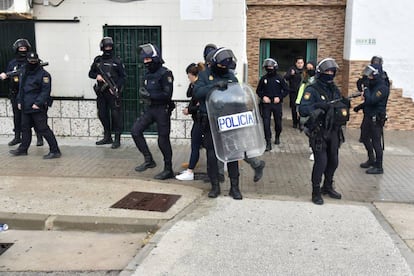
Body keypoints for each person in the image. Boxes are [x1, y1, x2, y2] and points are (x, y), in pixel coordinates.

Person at [299, 58, 350, 205]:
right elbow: (302, 109)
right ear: (320, 72)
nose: (330, 74)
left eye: (332, 71)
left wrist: (343, 104)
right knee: (321, 162)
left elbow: (338, 104)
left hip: (333, 130)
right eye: (327, 71)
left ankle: (327, 186)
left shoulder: (334, 89)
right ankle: (316, 192)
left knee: (333, 161)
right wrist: (318, 106)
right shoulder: (312, 89)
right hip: (318, 131)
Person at [193, 47, 243, 199]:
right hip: (210, 121)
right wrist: (213, 87)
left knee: (233, 155)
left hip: (228, 121)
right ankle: (215, 186)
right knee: (212, 156)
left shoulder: (230, 76)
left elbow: (239, 96)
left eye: (225, 67)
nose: (223, 69)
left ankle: (235, 188)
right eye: (220, 66)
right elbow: (197, 93)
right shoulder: (204, 75)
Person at [132, 43, 175, 180]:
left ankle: (168, 169)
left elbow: (167, 95)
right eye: (144, 60)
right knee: (135, 130)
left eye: (148, 59)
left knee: (163, 140)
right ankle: (149, 160)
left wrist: (150, 96)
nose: (145, 62)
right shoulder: (146, 74)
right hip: (150, 108)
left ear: (155, 58)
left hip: (162, 109)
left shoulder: (165, 73)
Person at [9, 52, 61, 159]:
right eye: (30, 61)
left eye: (34, 61)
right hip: (25, 106)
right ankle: (23, 149)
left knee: (43, 129)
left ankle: (55, 150)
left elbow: (45, 91)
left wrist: (38, 103)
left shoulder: (44, 75)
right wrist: (19, 101)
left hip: (37, 107)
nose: (32, 63)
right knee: (25, 128)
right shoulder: (24, 71)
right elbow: (21, 88)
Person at [0, 38, 43, 147]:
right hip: (16, 93)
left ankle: (39, 137)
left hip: (29, 94)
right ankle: (17, 137)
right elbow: (8, 76)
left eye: (24, 48)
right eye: (21, 48)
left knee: (35, 116)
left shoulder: (32, 61)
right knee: (17, 116)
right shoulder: (12, 63)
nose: (23, 50)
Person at [88, 37, 126, 149]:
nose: (108, 49)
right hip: (101, 93)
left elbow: (123, 77)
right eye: (106, 47)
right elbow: (90, 73)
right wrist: (97, 76)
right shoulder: (98, 60)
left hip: (112, 92)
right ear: (102, 48)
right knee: (102, 114)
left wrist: (115, 87)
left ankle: (117, 139)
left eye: (110, 47)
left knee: (116, 115)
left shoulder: (117, 61)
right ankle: (107, 136)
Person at [353, 64, 389, 174]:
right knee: (364, 138)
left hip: (376, 118)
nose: (369, 78)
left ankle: (379, 166)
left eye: (371, 76)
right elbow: (367, 101)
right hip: (368, 116)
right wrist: (360, 107)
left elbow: (372, 100)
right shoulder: (373, 85)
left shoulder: (382, 87)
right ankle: (371, 159)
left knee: (376, 142)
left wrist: (366, 88)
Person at [176, 62, 205, 181]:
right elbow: (188, 94)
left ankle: (190, 171)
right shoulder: (196, 85)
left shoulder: (200, 87)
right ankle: (190, 168)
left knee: (195, 145)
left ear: (193, 75)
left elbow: (200, 106)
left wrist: (189, 110)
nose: (188, 79)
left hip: (201, 120)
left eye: (189, 76)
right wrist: (191, 84)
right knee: (198, 145)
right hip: (198, 120)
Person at [256, 58, 289, 150]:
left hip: (276, 105)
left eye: (271, 67)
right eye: (267, 67)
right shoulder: (263, 79)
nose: (269, 68)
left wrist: (279, 97)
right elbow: (258, 90)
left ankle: (277, 136)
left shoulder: (280, 78)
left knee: (278, 123)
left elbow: (286, 90)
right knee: (266, 123)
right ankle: (268, 142)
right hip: (266, 105)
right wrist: (263, 97)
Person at [296, 61, 316, 160]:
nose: (309, 70)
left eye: (311, 68)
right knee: (306, 128)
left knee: (313, 129)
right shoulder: (304, 80)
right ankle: (312, 145)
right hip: (304, 107)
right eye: (307, 68)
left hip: (314, 109)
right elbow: (300, 92)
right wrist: (298, 106)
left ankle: (314, 149)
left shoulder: (316, 81)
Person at [284, 56, 305, 128]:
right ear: (296, 63)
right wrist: (291, 74)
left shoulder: (305, 71)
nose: (300, 64)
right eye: (298, 63)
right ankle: (295, 122)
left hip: (302, 93)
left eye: (301, 63)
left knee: (301, 108)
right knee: (294, 108)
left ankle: (301, 123)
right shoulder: (292, 69)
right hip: (293, 92)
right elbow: (286, 77)